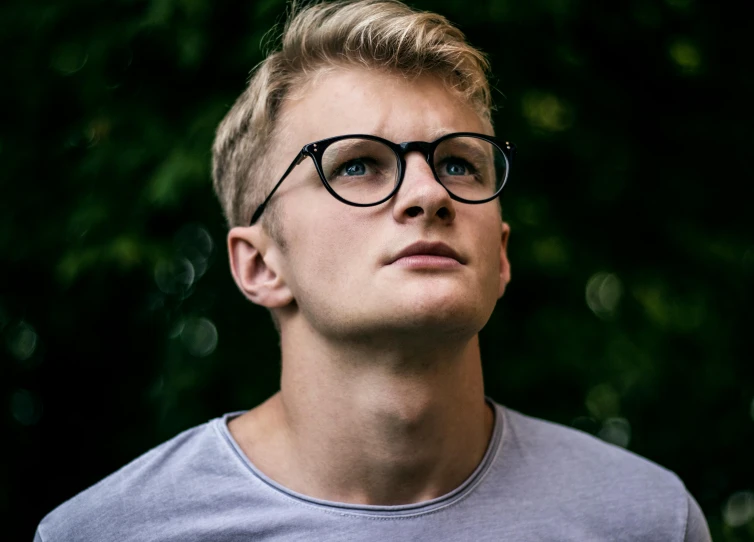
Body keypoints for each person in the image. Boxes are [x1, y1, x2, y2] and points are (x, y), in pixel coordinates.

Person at [35, 0, 712, 540]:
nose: (429, 194)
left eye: (459, 163)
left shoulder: (646, 519)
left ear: (500, 254)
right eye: (357, 164)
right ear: (260, 265)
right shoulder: (111, 531)